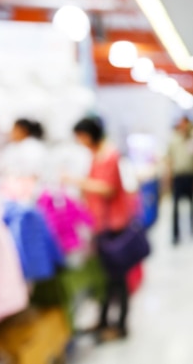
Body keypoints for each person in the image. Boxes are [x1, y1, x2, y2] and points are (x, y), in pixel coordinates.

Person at [65, 117, 136, 341]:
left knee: (117, 277)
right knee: (106, 277)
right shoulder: (99, 155)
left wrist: (76, 182)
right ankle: (105, 320)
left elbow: (107, 189)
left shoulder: (109, 156)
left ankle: (120, 325)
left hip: (113, 224)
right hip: (101, 224)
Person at [166, 118, 193, 244]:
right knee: (175, 207)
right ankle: (176, 234)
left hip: (190, 176)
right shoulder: (174, 141)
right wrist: (169, 179)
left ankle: (192, 229)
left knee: (192, 205)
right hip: (178, 177)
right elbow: (170, 161)